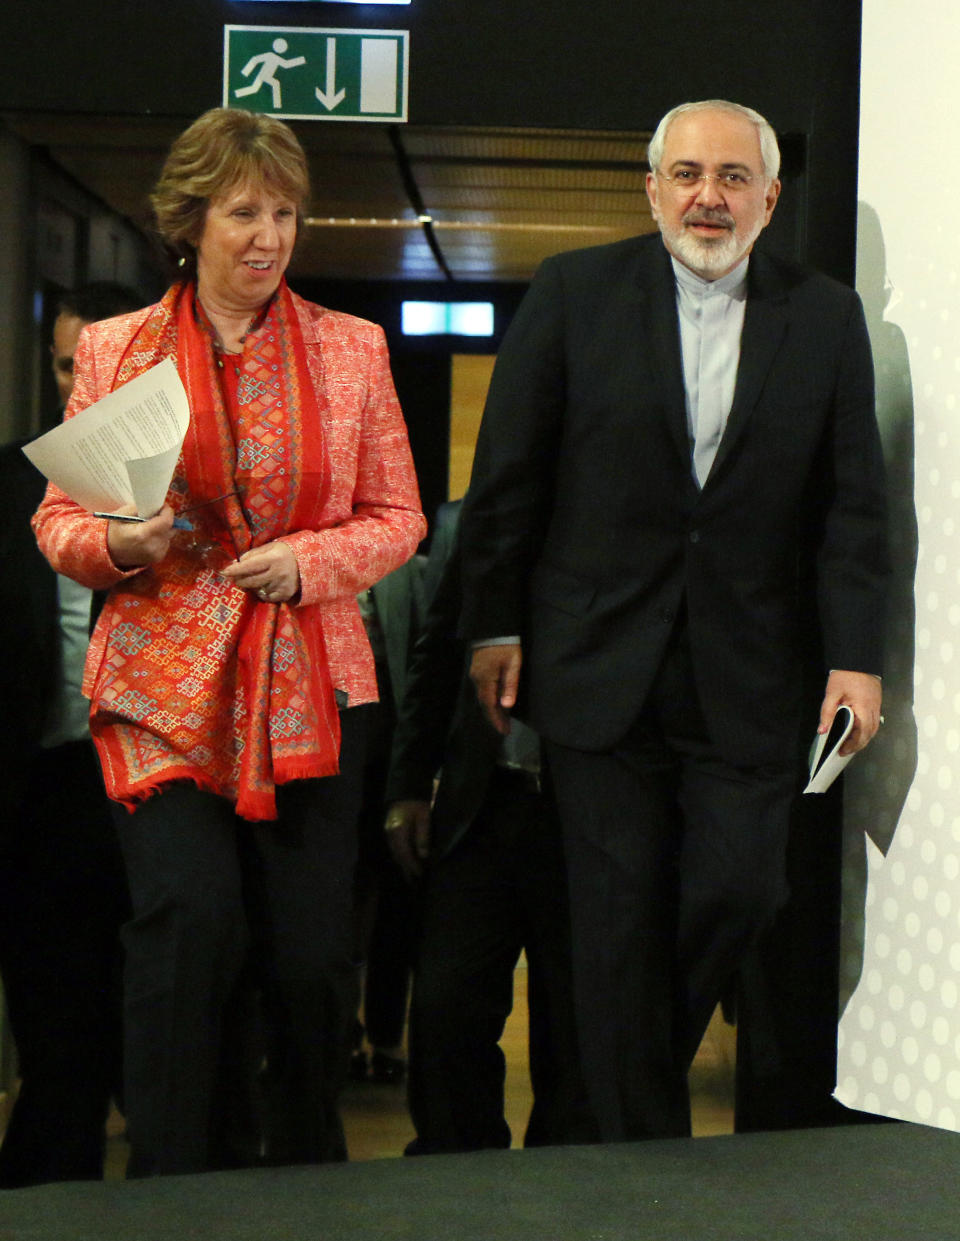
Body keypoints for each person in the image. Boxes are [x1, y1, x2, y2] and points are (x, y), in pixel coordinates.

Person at [458, 99, 889, 1142]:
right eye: (688, 174)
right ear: (652, 190)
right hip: (596, 668)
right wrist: (491, 624)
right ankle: (637, 1166)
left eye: (734, 178)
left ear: (771, 199)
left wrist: (856, 662)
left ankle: (600, 1102)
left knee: (740, 889)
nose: (710, 196)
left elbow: (853, 507)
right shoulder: (574, 293)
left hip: (753, 673)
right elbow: (507, 479)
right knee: (611, 927)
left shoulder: (827, 318)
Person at [32, 106, 426, 1176]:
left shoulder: (353, 350)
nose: (269, 235)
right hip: (162, 690)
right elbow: (58, 520)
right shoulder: (118, 348)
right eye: (245, 212)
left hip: (309, 685)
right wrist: (122, 539)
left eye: (286, 214)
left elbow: (399, 516)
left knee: (305, 962)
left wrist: (311, 564)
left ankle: (302, 1179)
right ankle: (171, 1180)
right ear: (190, 221)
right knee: (187, 930)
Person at [384, 502, 595, 1153]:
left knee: (575, 1033)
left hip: (585, 815)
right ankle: (456, 1187)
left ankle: (557, 1200)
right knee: (447, 1013)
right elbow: (436, 652)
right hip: (480, 801)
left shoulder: (627, 508)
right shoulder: (473, 520)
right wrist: (409, 785)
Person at [0, 283, 140, 1189]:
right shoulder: (9, 482)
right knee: (53, 1031)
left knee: (150, 1028)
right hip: (39, 790)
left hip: (149, 790)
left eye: (96, 363)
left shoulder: (186, 491)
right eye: (63, 364)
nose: (77, 384)